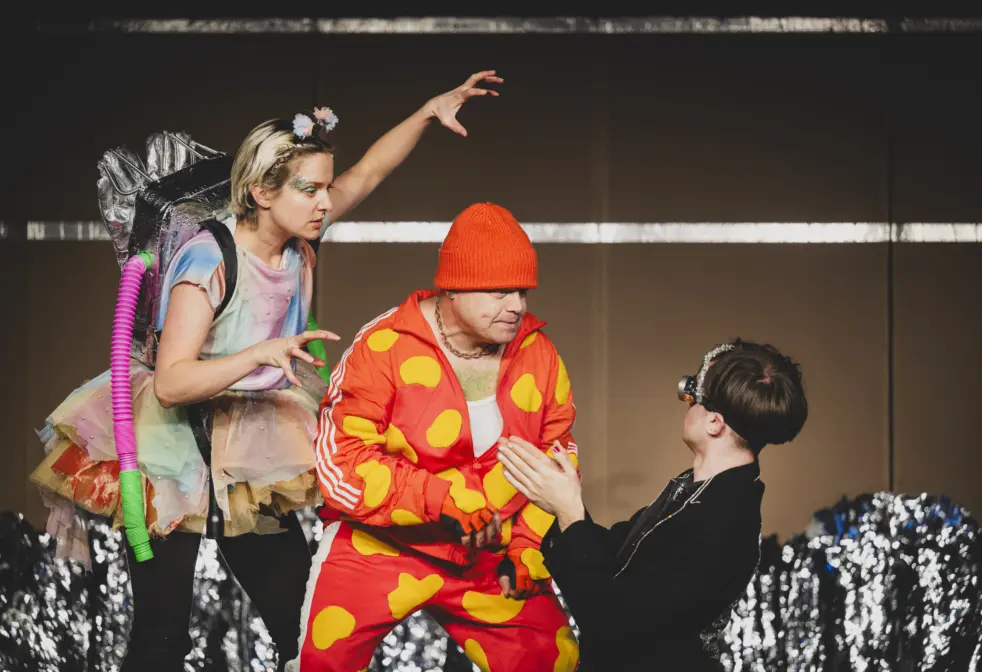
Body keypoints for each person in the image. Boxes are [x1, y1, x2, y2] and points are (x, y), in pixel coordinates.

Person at [29, 70, 503, 672]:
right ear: (261, 192)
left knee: (302, 626)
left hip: (251, 442)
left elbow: (369, 173)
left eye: (326, 187)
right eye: (309, 189)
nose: (326, 201)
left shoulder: (302, 237)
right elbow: (172, 383)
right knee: (161, 636)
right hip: (172, 448)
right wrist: (258, 355)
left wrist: (427, 112)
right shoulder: (210, 257)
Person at [292, 202, 581, 671]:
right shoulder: (384, 346)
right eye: (500, 291)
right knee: (323, 664)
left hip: (489, 553)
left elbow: (557, 458)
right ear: (455, 286)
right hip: (381, 545)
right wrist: (440, 499)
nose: (517, 305)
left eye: (522, 291)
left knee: (553, 662)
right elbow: (340, 461)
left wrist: (527, 547)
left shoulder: (537, 354)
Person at [497, 339, 809, 671]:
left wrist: (569, 510)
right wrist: (559, 503)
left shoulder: (723, 519)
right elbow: (613, 556)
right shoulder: (697, 492)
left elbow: (611, 625)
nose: (687, 402)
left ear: (714, 423)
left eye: (694, 396)